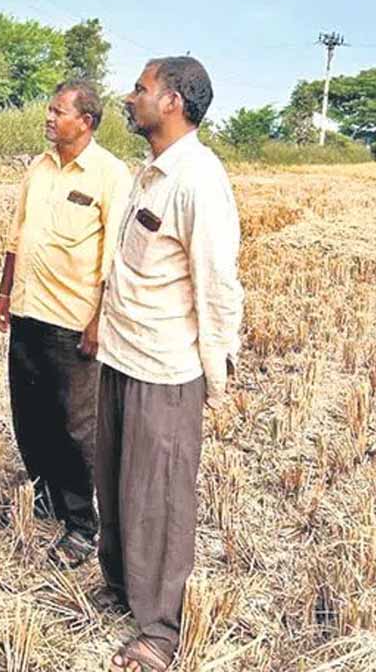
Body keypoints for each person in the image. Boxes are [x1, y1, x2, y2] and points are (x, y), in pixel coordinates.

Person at [94, 57, 243, 671]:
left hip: (165, 368)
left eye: (141, 89)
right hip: (120, 353)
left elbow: (217, 284)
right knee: (117, 485)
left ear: (173, 102)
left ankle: (159, 631)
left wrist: (214, 375)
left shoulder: (199, 180)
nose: (130, 97)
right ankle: (123, 588)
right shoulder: (150, 173)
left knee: (158, 499)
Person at [0, 80, 131, 570]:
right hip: (28, 312)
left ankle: (81, 526)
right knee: (31, 416)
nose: (49, 118)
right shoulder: (39, 166)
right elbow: (17, 236)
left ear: (85, 121)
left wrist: (98, 322)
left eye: (58, 111)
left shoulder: (111, 174)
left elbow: (115, 258)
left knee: (76, 428)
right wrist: (5, 293)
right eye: (48, 110)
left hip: (73, 321)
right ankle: (45, 499)